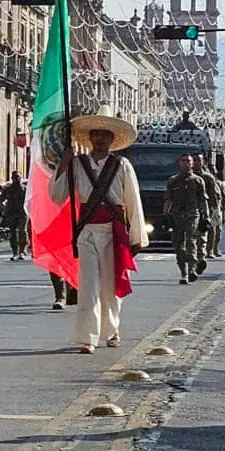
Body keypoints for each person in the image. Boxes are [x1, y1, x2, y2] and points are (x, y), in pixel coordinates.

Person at [50, 107, 148, 354]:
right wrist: (63, 163)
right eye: (96, 134)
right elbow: (56, 196)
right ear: (91, 138)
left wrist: (136, 238)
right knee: (88, 285)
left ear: (112, 138)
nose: (101, 139)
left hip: (113, 231)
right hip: (86, 232)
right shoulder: (77, 165)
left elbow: (133, 201)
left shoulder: (122, 165)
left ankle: (112, 330)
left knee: (110, 285)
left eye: (105, 135)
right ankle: (88, 337)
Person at [163, 154, 208, 285]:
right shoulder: (173, 180)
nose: (185, 164)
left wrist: (206, 216)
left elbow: (203, 200)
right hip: (177, 215)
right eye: (183, 161)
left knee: (191, 241)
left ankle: (192, 270)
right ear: (179, 163)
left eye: (188, 161)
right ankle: (183, 272)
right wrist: (165, 215)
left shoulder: (198, 180)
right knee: (178, 245)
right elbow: (168, 199)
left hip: (192, 214)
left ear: (192, 163)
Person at [195, 155, 224, 259]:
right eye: (194, 160)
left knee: (211, 228)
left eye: (199, 160)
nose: (196, 162)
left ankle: (210, 250)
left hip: (208, 206)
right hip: (192, 207)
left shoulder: (208, 177)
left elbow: (214, 194)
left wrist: (214, 208)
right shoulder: (187, 176)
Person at [2, 171, 27, 260]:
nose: (17, 179)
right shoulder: (8, 189)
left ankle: (22, 251)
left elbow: (29, 200)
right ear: (12, 178)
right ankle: (14, 252)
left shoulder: (24, 189)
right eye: (15, 177)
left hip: (22, 213)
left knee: (22, 232)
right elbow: (1, 199)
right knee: (12, 233)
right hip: (12, 213)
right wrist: (4, 208)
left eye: (18, 177)